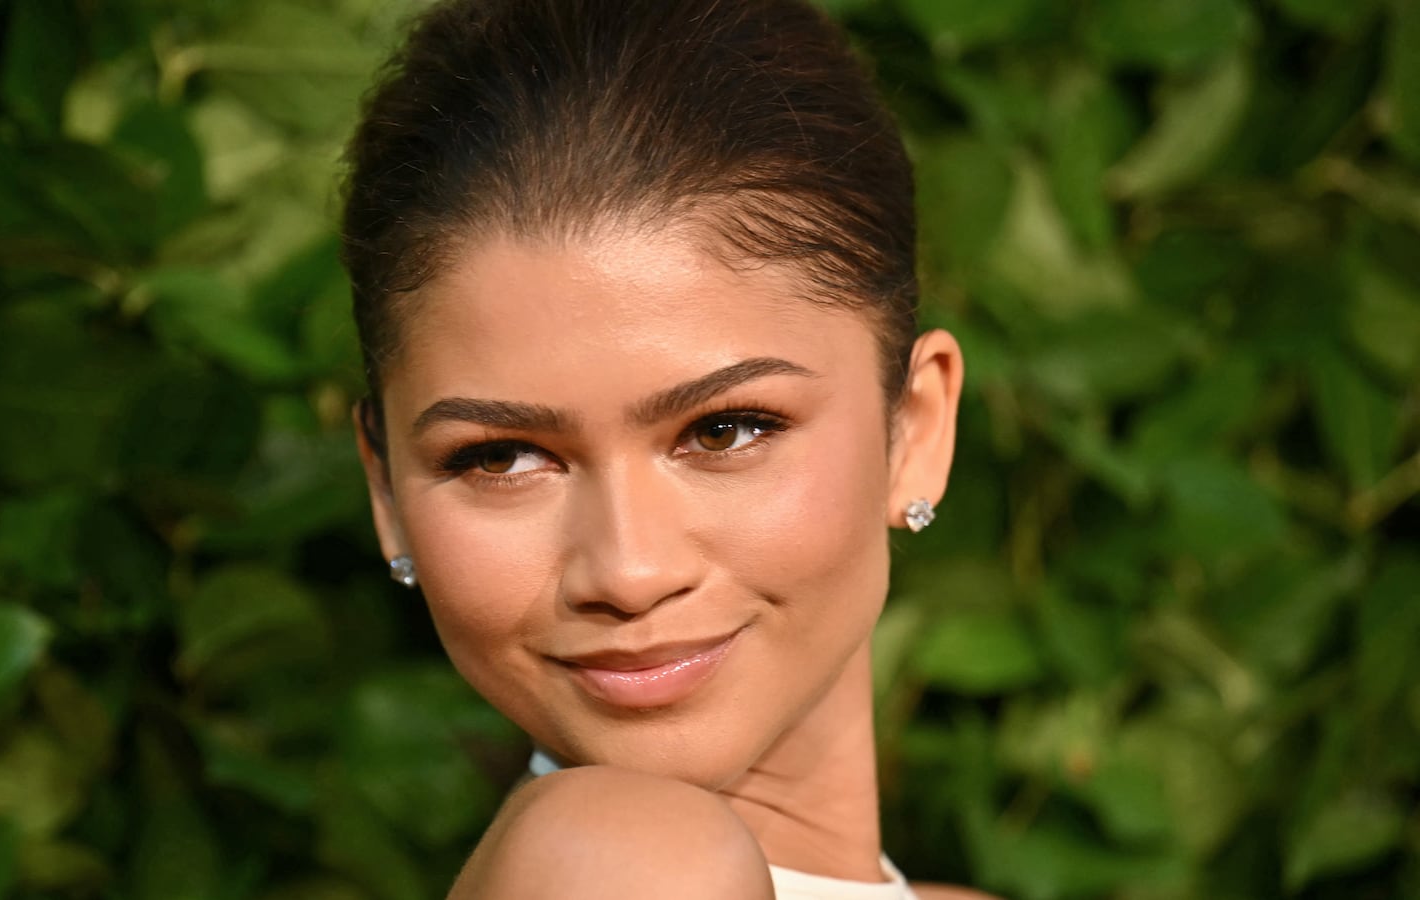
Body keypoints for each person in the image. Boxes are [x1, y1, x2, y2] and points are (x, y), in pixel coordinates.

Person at [339, 1, 992, 896]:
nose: (629, 571)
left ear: (915, 427)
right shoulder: (623, 870)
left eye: (724, 431)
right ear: (386, 490)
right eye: (500, 458)